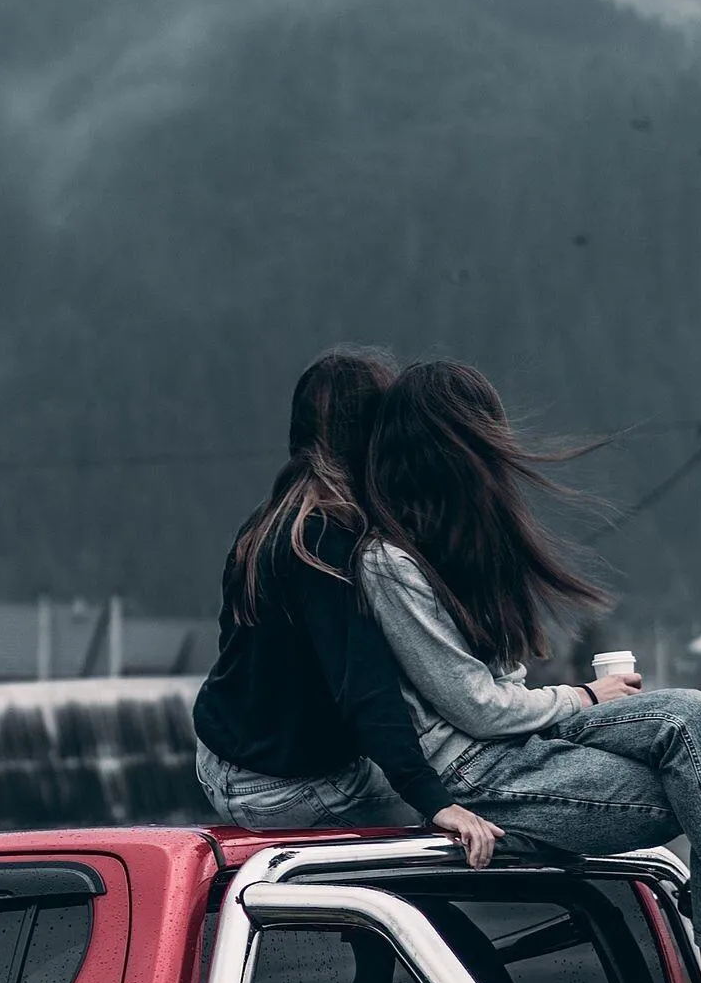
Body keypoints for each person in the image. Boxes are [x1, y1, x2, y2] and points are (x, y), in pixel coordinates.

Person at [356, 359, 701, 983]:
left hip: (521, 740)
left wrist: (569, 703)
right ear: (447, 447)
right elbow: (472, 706)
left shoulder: (461, 543)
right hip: (476, 772)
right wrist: (585, 699)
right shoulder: (389, 564)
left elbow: (501, 689)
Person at [190, 348, 507, 847]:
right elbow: (365, 686)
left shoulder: (273, 518)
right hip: (279, 787)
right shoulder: (323, 542)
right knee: (479, 798)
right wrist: (435, 802)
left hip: (224, 760)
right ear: (372, 438)